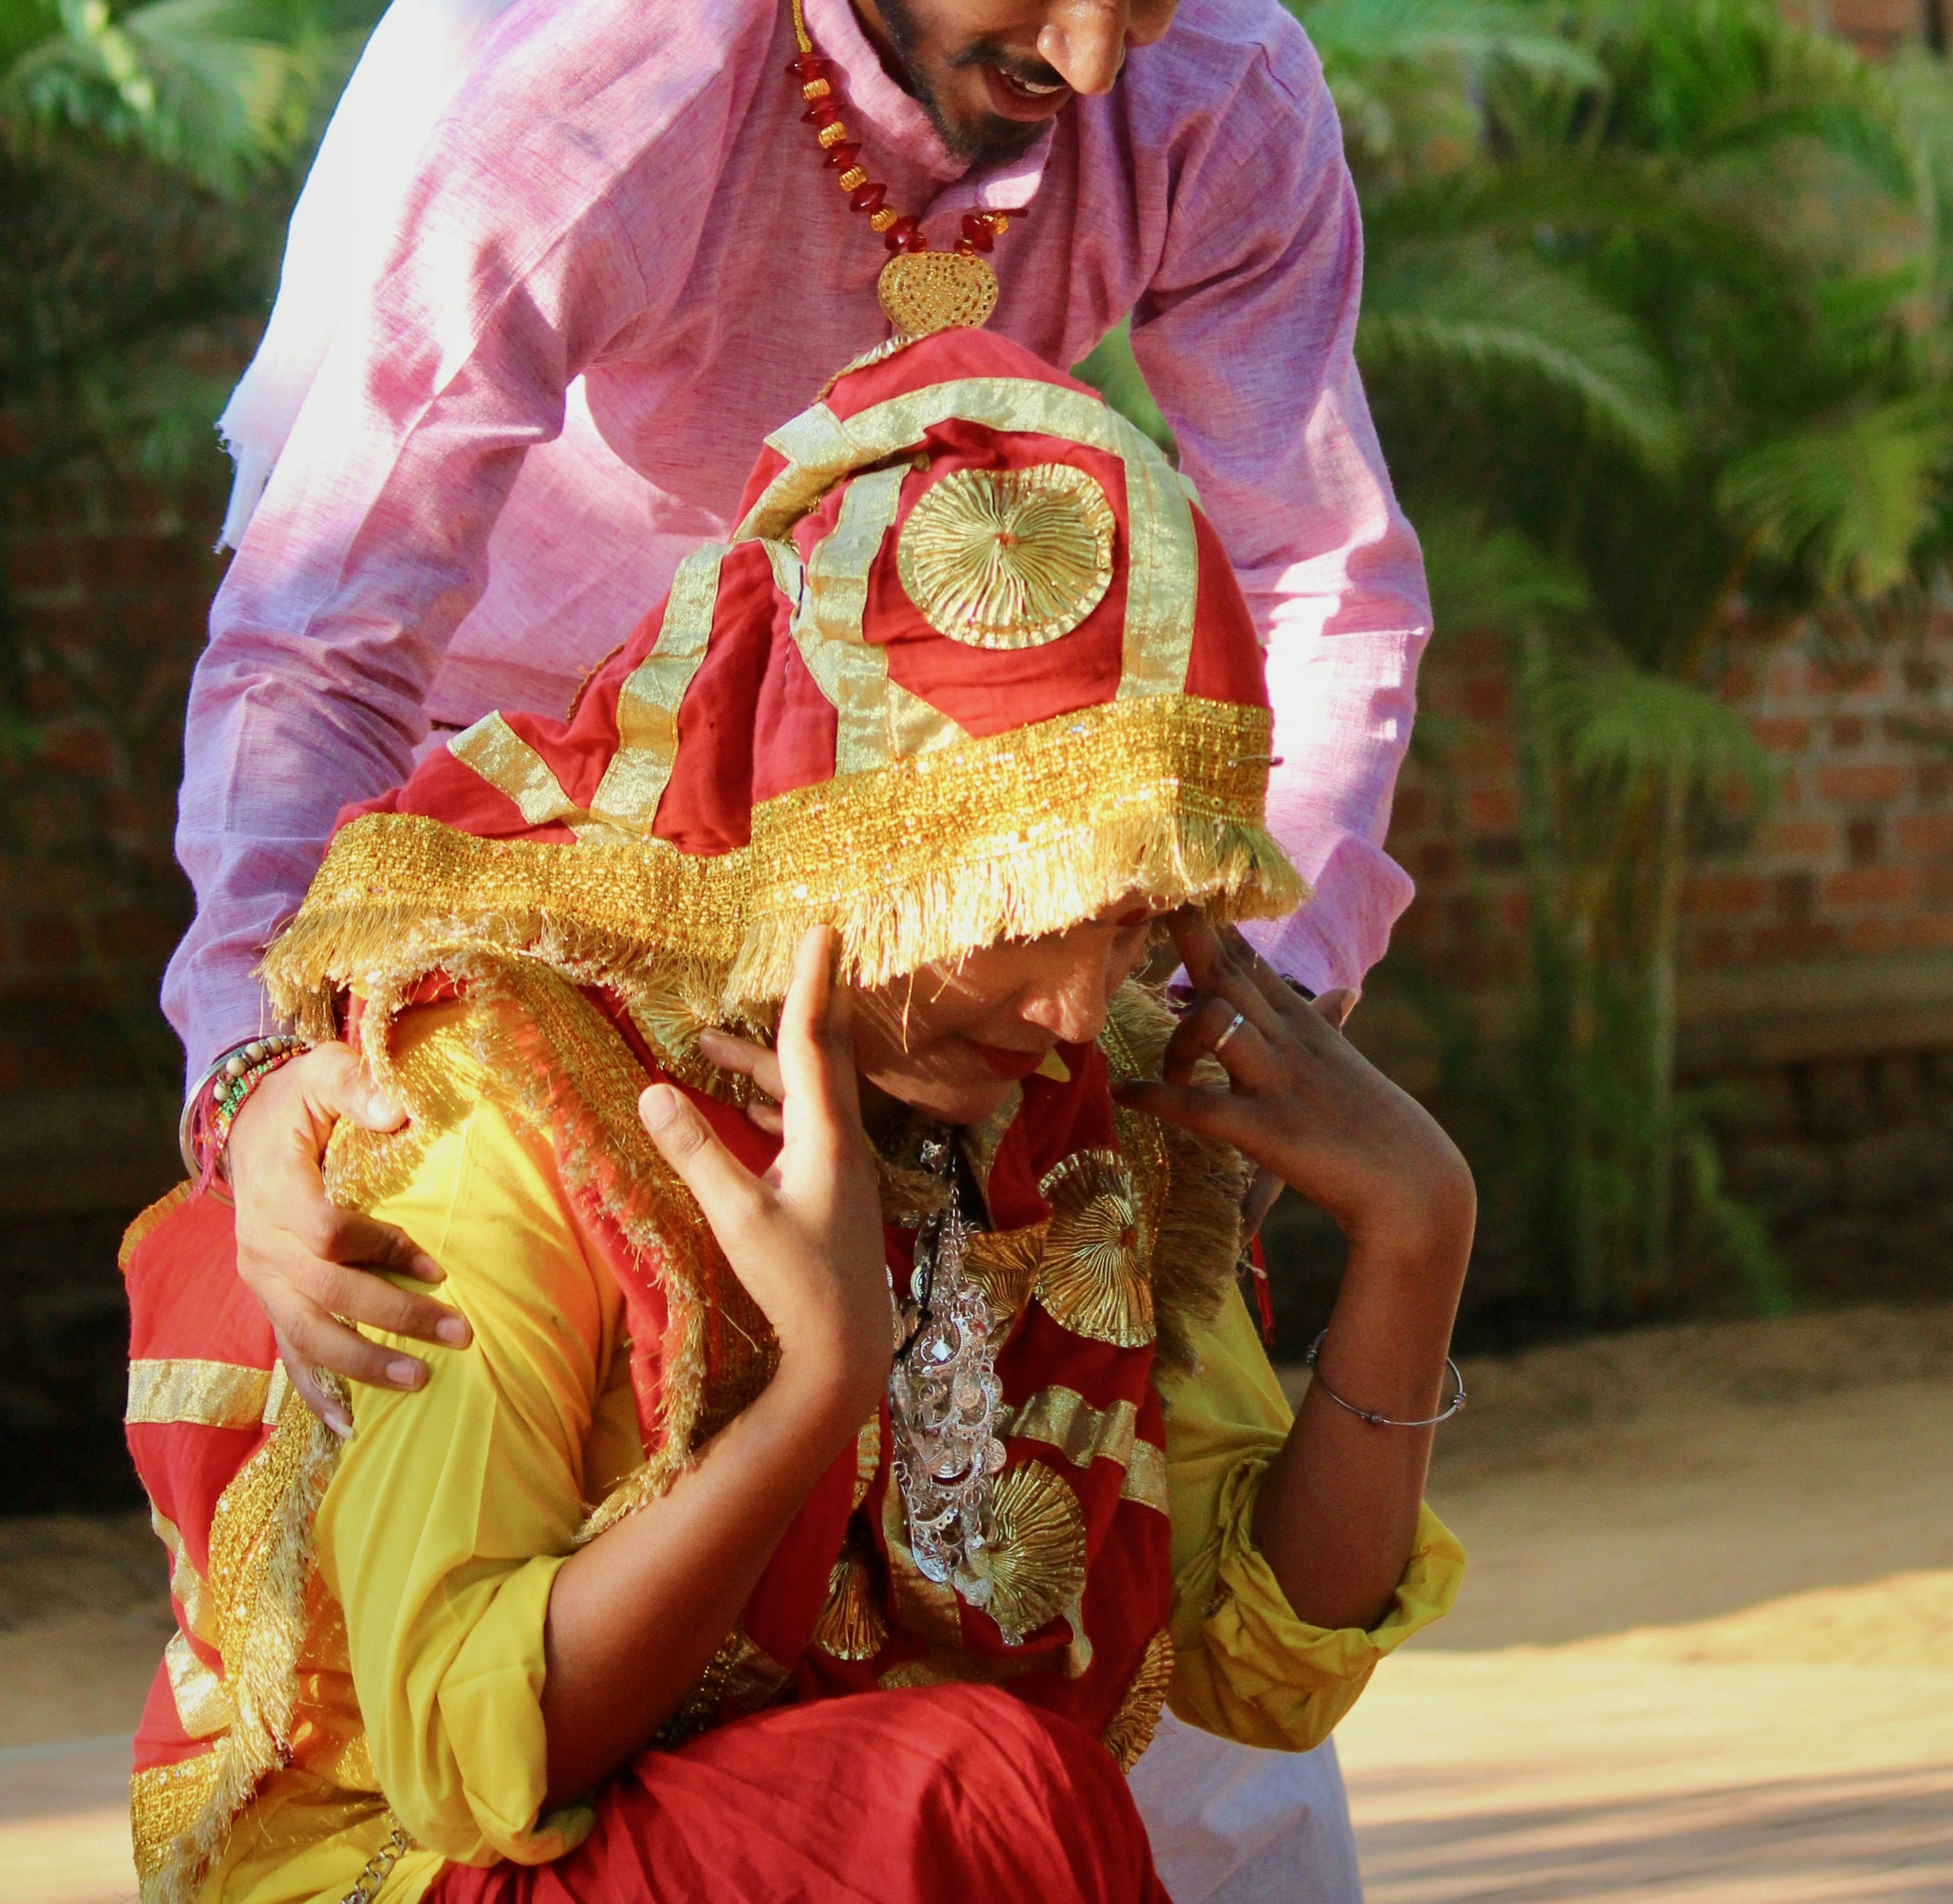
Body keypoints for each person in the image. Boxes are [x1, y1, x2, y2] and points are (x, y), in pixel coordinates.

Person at [164, 0, 1434, 1892]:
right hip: (536, 871)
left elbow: (1321, 573)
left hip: (972, 879)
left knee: (1146, 1649)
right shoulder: (589, 81)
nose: (1090, 56)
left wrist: (1235, 987)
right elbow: (328, 621)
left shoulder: (1208, 101)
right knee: (505, 1513)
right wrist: (278, 1070)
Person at [125, 331, 1470, 1904]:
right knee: (973, 1798)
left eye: (1123, 925)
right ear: (841, 838)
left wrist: (1413, 1246)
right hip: (433, 1863)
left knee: (994, 1796)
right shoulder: (515, 1087)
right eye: (1017, 912)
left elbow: (1254, 1663)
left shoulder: (1079, 1112)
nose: (1066, 1010)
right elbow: (468, 1762)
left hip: (803, 1842)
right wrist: (810, 1389)